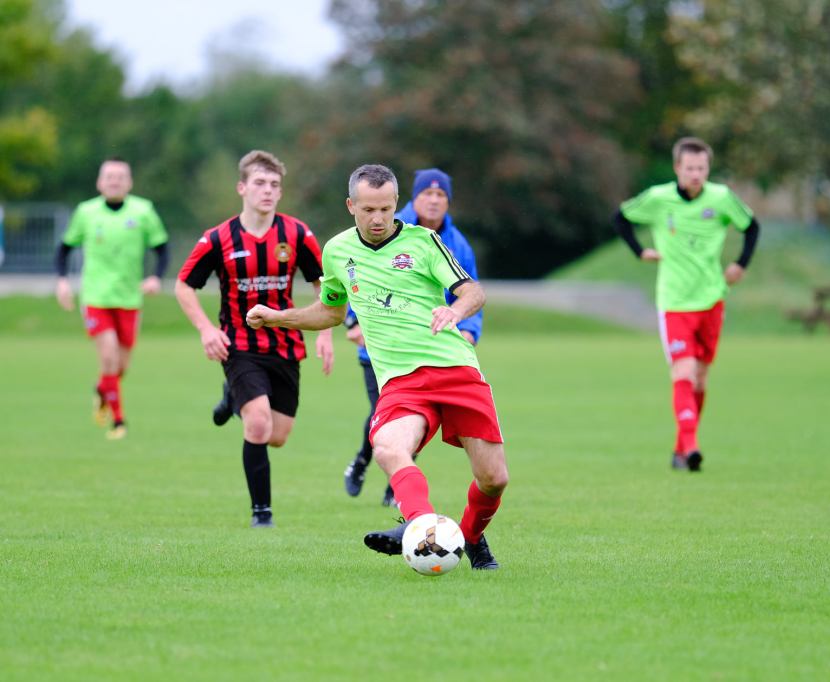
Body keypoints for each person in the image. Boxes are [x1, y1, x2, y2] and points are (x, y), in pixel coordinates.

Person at [246, 164, 507, 569]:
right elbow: (331, 313)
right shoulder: (337, 251)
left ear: (396, 203)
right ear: (351, 206)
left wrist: (454, 311)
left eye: (386, 209)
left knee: (493, 478)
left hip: (454, 367)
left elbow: (472, 290)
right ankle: (419, 523)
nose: (379, 218)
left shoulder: (424, 242)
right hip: (401, 381)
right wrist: (277, 317)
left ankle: (470, 537)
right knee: (387, 447)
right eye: (369, 210)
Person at [175, 150, 334, 528]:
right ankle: (262, 513)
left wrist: (325, 333)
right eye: (260, 183)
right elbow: (184, 285)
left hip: (285, 345)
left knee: (277, 436)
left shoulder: (297, 234)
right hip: (238, 346)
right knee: (258, 424)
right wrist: (206, 330)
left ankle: (233, 399)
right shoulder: (218, 238)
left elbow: (325, 285)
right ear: (242, 188)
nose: (268, 190)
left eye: (274, 185)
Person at [614, 136, 760, 472]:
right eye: (690, 168)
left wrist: (740, 264)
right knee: (684, 371)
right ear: (677, 168)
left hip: (711, 299)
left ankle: (680, 449)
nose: (696, 174)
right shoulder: (658, 198)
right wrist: (640, 251)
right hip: (675, 301)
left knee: (701, 379)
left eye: (702, 168)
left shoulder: (721, 198)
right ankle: (692, 446)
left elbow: (752, 227)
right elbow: (620, 218)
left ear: (708, 169)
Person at [342, 168, 483, 507]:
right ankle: (362, 462)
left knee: (413, 421)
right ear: (412, 198)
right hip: (380, 351)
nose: (433, 201)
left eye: (441, 195)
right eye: (427, 194)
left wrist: (468, 328)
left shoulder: (456, 243)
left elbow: (470, 289)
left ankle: (396, 491)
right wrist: (352, 322)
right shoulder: (386, 227)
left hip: (428, 350)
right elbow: (355, 273)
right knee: (383, 416)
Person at [55, 157, 169, 440]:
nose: (114, 181)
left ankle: (101, 389)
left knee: (120, 368)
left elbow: (162, 248)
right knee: (108, 356)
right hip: (96, 297)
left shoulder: (143, 211)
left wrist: (156, 277)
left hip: (130, 298)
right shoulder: (86, 212)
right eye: (109, 176)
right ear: (99, 182)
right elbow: (65, 248)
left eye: (120, 177)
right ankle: (118, 421)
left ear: (129, 182)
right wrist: (62, 282)